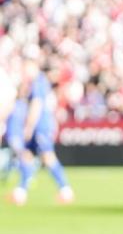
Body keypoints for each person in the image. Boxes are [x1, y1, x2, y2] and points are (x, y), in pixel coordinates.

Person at [5, 60, 73, 206]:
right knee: (26, 155)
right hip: (40, 126)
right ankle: (21, 192)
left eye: (27, 68)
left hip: (40, 127)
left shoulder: (38, 82)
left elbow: (37, 105)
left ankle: (65, 189)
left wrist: (29, 126)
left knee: (48, 157)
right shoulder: (38, 83)